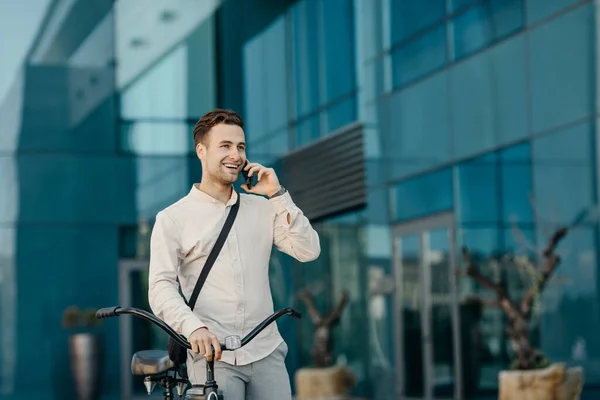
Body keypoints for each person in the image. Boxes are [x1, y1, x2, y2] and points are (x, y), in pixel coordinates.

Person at [147, 108, 321, 399]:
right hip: (214, 357)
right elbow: (160, 286)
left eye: (240, 147)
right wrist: (194, 328)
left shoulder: (262, 208)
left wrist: (277, 195)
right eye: (225, 146)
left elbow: (309, 250)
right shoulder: (173, 218)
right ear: (201, 151)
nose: (236, 155)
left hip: (266, 352)